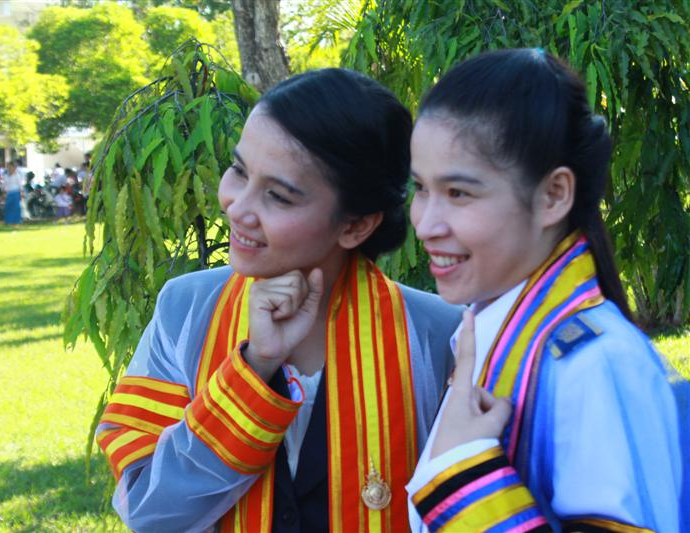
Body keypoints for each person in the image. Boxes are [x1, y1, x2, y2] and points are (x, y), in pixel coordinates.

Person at [96, 68, 462, 532]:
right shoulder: (185, 309)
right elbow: (150, 512)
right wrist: (255, 366)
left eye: (278, 196)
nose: (237, 206)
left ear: (355, 225)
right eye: (239, 171)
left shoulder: (438, 334)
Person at [405, 49, 688, 532]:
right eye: (420, 189)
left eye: (458, 193)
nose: (426, 224)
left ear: (554, 195)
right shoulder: (489, 328)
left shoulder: (597, 363)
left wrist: (465, 478)